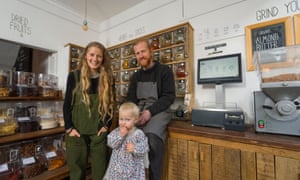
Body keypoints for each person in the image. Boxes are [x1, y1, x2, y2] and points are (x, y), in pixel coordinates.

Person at [63, 41, 115, 180]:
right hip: (76, 132)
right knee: (77, 173)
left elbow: (111, 105)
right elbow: (67, 104)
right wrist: (69, 128)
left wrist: (106, 126)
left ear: (103, 58)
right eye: (92, 55)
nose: (95, 59)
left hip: (98, 133)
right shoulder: (74, 76)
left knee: (100, 172)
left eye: (99, 56)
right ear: (86, 56)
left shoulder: (108, 78)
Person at [126, 39, 176, 180]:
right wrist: (130, 116)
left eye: (143, 51)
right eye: (137, 53)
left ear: (151, 51)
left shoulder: (164, 71)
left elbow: (169, 97)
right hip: (139, 111)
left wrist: (149, 112)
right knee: (125, 138)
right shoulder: (135, 76)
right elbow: (131, 99)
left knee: (152, 139)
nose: (141, 55)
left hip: (159, 110)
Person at [103, 102, 149, 180]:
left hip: (133, 170)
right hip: (117, 169)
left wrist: (135, 148)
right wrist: (120, 136)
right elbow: (110, 142)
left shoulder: (139, 134)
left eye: (127, 119)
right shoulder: (117, 131)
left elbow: (145, 148)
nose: (123, 122)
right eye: (121, 119)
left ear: (135, 120)